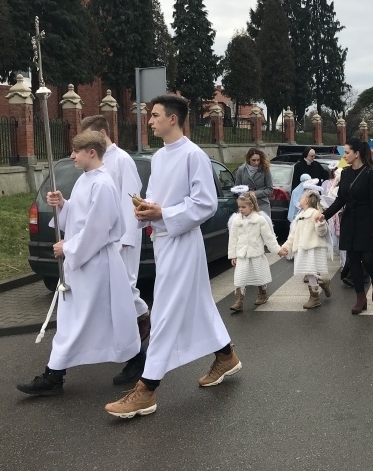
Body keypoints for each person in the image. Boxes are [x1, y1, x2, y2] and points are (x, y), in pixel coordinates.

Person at [104, 94, 240, 419]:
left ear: (173, 119)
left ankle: (146, 390)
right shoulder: (160, 157)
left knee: (163, 312)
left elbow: (205, 203)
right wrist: (145, 206)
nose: (149, 121)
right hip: (164, 240)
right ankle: (227, 356)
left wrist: (163, 213)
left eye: (154, 115)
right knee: (197, 306)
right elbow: (157, 195)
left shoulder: (194, 155)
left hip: (183, 241)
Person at [16, 131, 141, 397]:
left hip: (96, 264)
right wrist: (63, 205)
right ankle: (134, 358)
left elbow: (98, 228)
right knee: (95, 318)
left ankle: (55, 375)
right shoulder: (86, 180)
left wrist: (68, 246)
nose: (72, 156)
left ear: (92, 152)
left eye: (76, 151)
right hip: (85, 264)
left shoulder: (103, 184)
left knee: (82, 320)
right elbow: (81, 215)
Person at [79, 115, 150, 385]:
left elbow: (131, 199)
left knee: (125, 289)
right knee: (116, 294)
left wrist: (127, 237)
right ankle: (139, 325)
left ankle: (141, 322)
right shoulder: (96, 162)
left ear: (100, 133)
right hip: (106, 241)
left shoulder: (121, 160)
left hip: (123, 239)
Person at [318, 138, 373, 315]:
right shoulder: (346, 173)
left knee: (369, 259)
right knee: (353, 260)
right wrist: (325, 215)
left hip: (368, 220)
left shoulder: (371, 174)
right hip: (350, 220)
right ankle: (360, 298)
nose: (344, 155)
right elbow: (341, 199)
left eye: (347, 152)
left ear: (357, 154)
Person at [227, 191, 284, 312]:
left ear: (251, 206)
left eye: (243, 207)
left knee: (259, 276)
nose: (241, 209)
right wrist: (233, 255)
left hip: (256, 254)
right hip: (242, 254)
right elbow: (232, 239)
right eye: (239, 207)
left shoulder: (260, 220)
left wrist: (278, 250)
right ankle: (239, 300)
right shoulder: (236, 221)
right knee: (239, 277)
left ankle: (262, 293)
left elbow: (269, 238)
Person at [279, 190, 332, 309]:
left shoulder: (315, 213)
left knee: (310, 272)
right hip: (303, 248)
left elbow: (322, 232)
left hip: (314, 248)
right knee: (309, 272)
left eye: (301, 197)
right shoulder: (300, 216)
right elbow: (293, 234)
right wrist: (286, 247)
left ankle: (314, 297)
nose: (300, 199)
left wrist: (320, 223)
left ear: (307, 200)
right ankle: (323, 281)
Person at [233, 148, 273, 216]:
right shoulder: (241, 170)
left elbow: (269, 189)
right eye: (253, 160)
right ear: (249, 159)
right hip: (246, 204)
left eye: (258, 160)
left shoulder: (265, 170)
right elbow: (237, 188)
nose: (256, 162)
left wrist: (255, 193)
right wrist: (245, 195)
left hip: (262, 204)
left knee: (262, 225)